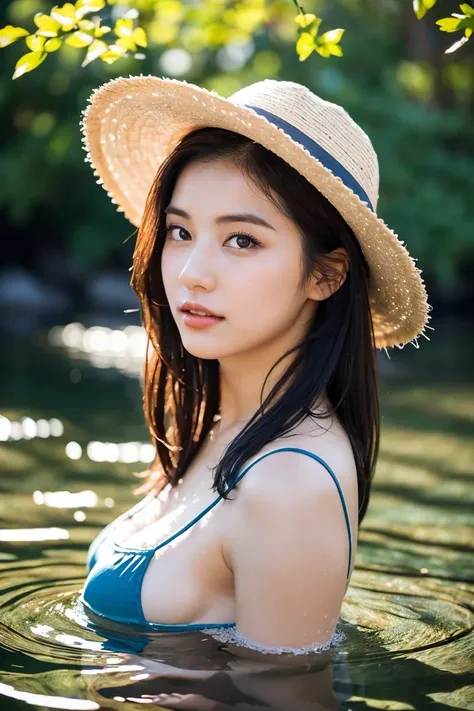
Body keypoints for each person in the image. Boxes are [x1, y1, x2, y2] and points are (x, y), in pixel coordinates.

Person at [78, 77, 431, 652]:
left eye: (241, 241)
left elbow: (289, 697)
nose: (193, 271)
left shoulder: (290, 482)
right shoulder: (216, 426)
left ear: (326, 274)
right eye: (180, 231)